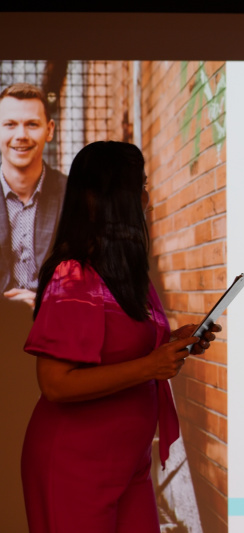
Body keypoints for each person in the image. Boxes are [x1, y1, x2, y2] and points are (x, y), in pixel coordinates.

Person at [20, 140, 221, 532]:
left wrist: (174, 343)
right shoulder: (72, 276)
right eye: (138, 187)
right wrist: (151, 366)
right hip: (74, 467)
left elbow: (124, 350)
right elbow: (55, 383)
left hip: (130, 466)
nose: (146, 198)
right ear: (105, 199)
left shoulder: (128, 275)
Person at [0, 83, 67, 309]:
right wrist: (9, 307)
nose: (21, 135)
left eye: (32, 124)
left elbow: (98, 278)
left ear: (49, 130)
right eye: (10, 124)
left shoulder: (74, 197)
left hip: (58, 322)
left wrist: (44, 302)